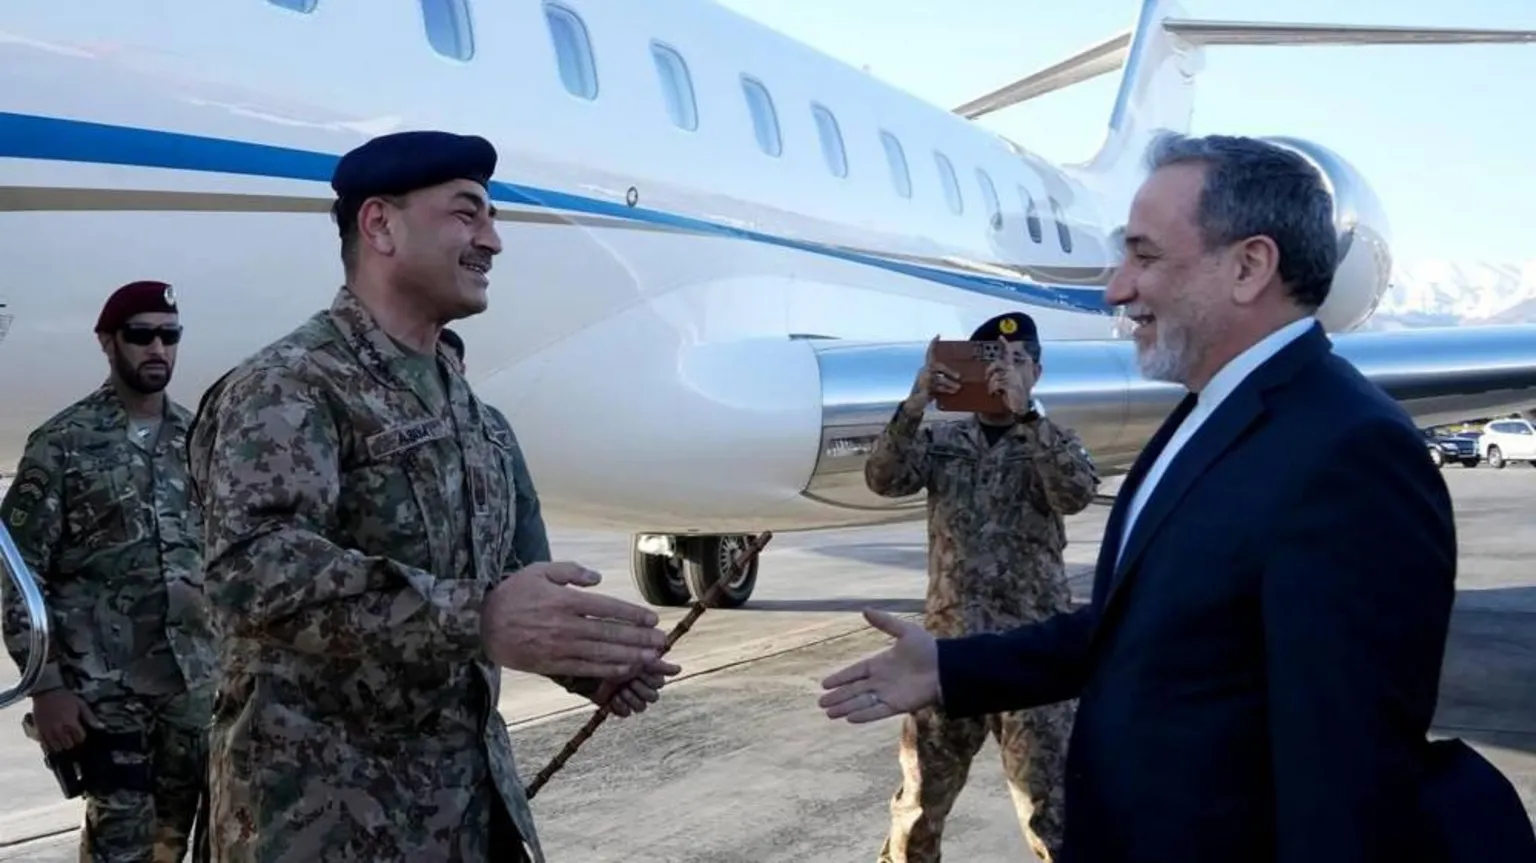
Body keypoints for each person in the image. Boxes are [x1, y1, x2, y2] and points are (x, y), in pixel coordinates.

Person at [817, 133, 1502, 862]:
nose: (1115, 287)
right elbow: (1134, 629)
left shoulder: (1350, 452)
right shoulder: (1207, 414)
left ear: (1249, 266)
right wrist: (949, 667)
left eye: (1144, 256)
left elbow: (1345, 776)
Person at [187, 130, 679, 863]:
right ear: (380, 225)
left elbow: (515, 590)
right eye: (467, 213)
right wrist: (476, 616)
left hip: (469, 814)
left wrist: (586, 657)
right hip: (319, 826)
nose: (493, 240)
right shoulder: (290, 385)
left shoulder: (479, 420)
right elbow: (253, 572)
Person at [863, 311, 1097, 863]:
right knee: (919, 806)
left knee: (1053, 813)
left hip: (1030, 658)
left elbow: (1075, 494)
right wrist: (915, 402)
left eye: (1018, 361)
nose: (1005, 372)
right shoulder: (945, 441)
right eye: (993, 359)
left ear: (1036, 372)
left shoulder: (1051, 439)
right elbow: (883, 477)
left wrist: (1030, 419)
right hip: (948, 654)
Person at [0, 280, 214, 862]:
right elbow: (16, 573)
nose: (157, 349)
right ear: (107, 341)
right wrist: (45, 688)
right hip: (103, 692)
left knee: (175, 841)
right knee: (121, 844)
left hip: (189, 690)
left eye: (169, 336)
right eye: (140, 335)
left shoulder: (196, 439)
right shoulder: (64, 444)